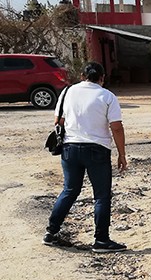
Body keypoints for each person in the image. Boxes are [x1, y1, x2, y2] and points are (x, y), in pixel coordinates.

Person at [43, 62, 128, 253]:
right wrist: (122, 154)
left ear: (82, 75)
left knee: (70, 190)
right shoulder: (107, 96)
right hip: (97, 149)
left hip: (70, 148)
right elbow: (116, 127)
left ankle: (51, 232)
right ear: (102, 78)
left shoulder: (67, 92)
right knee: (101, 195)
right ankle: (101, 240)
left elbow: (59, 121)